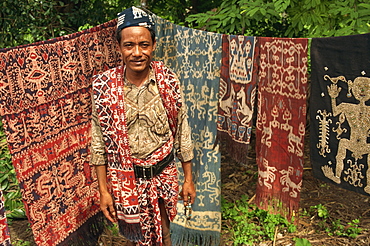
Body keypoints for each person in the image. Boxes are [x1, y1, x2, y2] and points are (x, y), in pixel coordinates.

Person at [90, 6, 196, 246]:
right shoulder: (104, 88)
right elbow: (98, 143)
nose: (137, 53)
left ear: (153, 45)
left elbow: (182, 131)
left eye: (144, 45)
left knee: (165, 233)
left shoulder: (168, 81)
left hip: (163, 174)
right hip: (126, 181)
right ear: (119, 47)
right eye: (129, 45)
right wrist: (104, 191)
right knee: (134, 238)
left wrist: (188, 178)